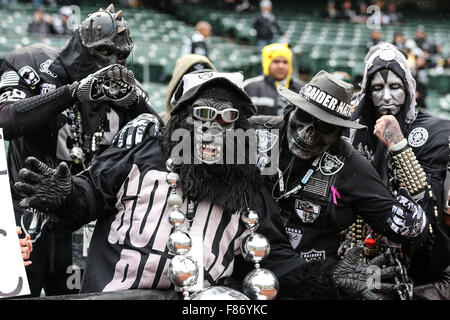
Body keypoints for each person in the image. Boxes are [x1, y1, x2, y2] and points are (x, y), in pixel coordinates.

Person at [15, 71, 402, 300]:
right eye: (202, 113)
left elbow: (279, 266)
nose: (213, 127)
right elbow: (90, 196)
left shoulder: (250, 186)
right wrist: (66, 196)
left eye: (228, 117)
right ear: (181, 118)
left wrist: (331, 278)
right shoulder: (142, 150)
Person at [0, 4, 161, 297]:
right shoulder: (33, 63)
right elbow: (6, 120)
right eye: (104, 51)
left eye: (120, 55)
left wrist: (138, 107)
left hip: (81, 220)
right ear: (81, 47)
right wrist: (71, 92)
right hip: (24, 214)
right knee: (17, 295)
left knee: (79, 297)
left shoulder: (124, 90)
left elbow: (161, 143)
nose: (112, 62)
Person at [248, 70, 428, 281]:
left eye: (324, 126)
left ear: (338, 133)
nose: (308, 133)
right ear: (291, 110)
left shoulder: (352, 166)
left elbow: (406, 229)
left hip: (310, 279)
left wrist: (412, 219)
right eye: (305, 116)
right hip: (245, 263)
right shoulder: (255, 133)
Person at [348, 43, 450, 297]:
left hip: (422, 262)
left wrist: (399, 145)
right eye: (377, 88)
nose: (386, 97)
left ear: (409, 88)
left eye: (395, 87)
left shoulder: (436, 130)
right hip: (364, 258)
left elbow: (428, 210)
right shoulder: (353, 133)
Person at [244, 43, 304, 116]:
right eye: (276, 61)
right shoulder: (250, 87)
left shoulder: (302, 89)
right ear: (267, 64)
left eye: (285, 62)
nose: (281, 66)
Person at [163, 54, 216, 124]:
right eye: (192, 86)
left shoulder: (228, 122)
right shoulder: (159, 125)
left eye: (206, 85)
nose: (199, 91)